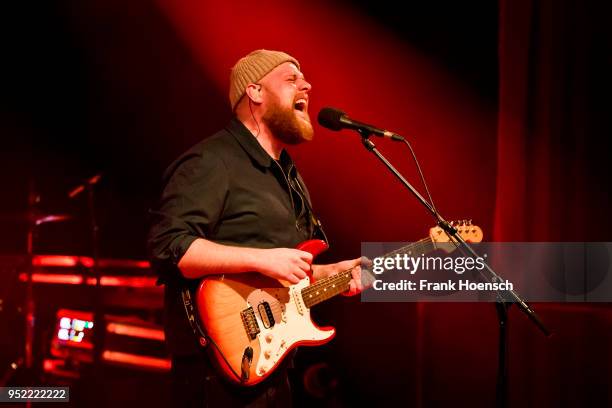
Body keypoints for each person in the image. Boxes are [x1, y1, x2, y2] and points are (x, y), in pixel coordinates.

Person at [147, 49, 363, 407]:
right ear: (255, 92)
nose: (307, 85)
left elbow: (281, 277)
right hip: (215, 379)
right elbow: (170, 248)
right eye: (292, 79)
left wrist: (332, 273)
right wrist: (263, 259)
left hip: (273, 373)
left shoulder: (290, 178)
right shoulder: (212, 161)